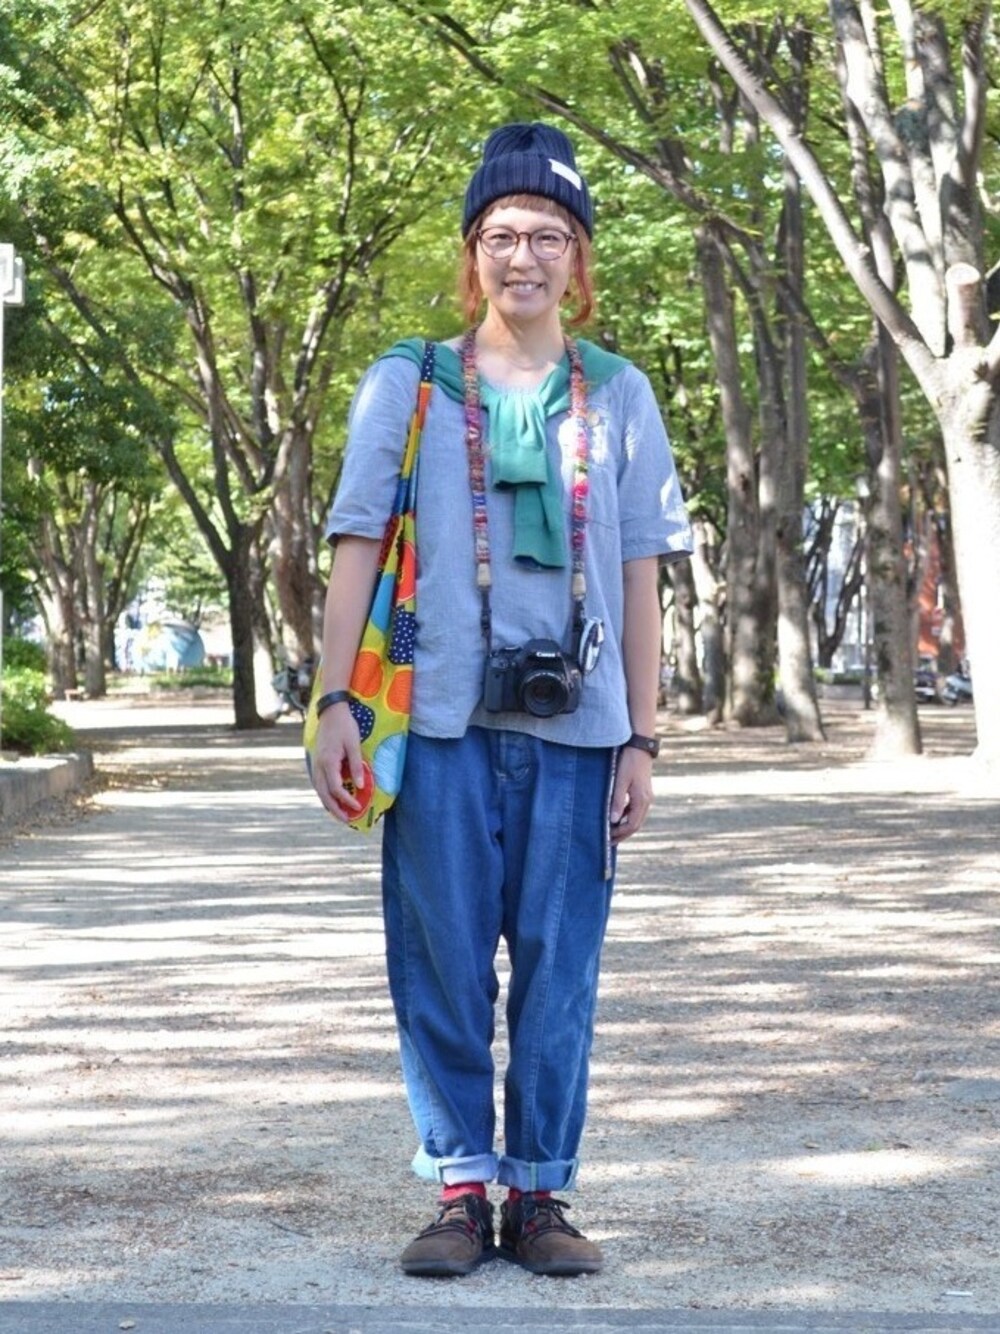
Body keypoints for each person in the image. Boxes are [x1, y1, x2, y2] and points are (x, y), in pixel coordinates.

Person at [310, 122, 692, 1278]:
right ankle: (459, 1189)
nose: (523, 256)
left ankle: (538, 1193)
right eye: (501, 234)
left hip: (579, 733)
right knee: (439, 960)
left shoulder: (618, 394)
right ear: (472, 252)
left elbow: (639, 572)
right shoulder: (412, 380)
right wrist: (332, 702)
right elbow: (358, 540)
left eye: (548, 236)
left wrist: (644, 737)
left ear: (579, 258)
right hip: (436, 727)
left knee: (559, 968)